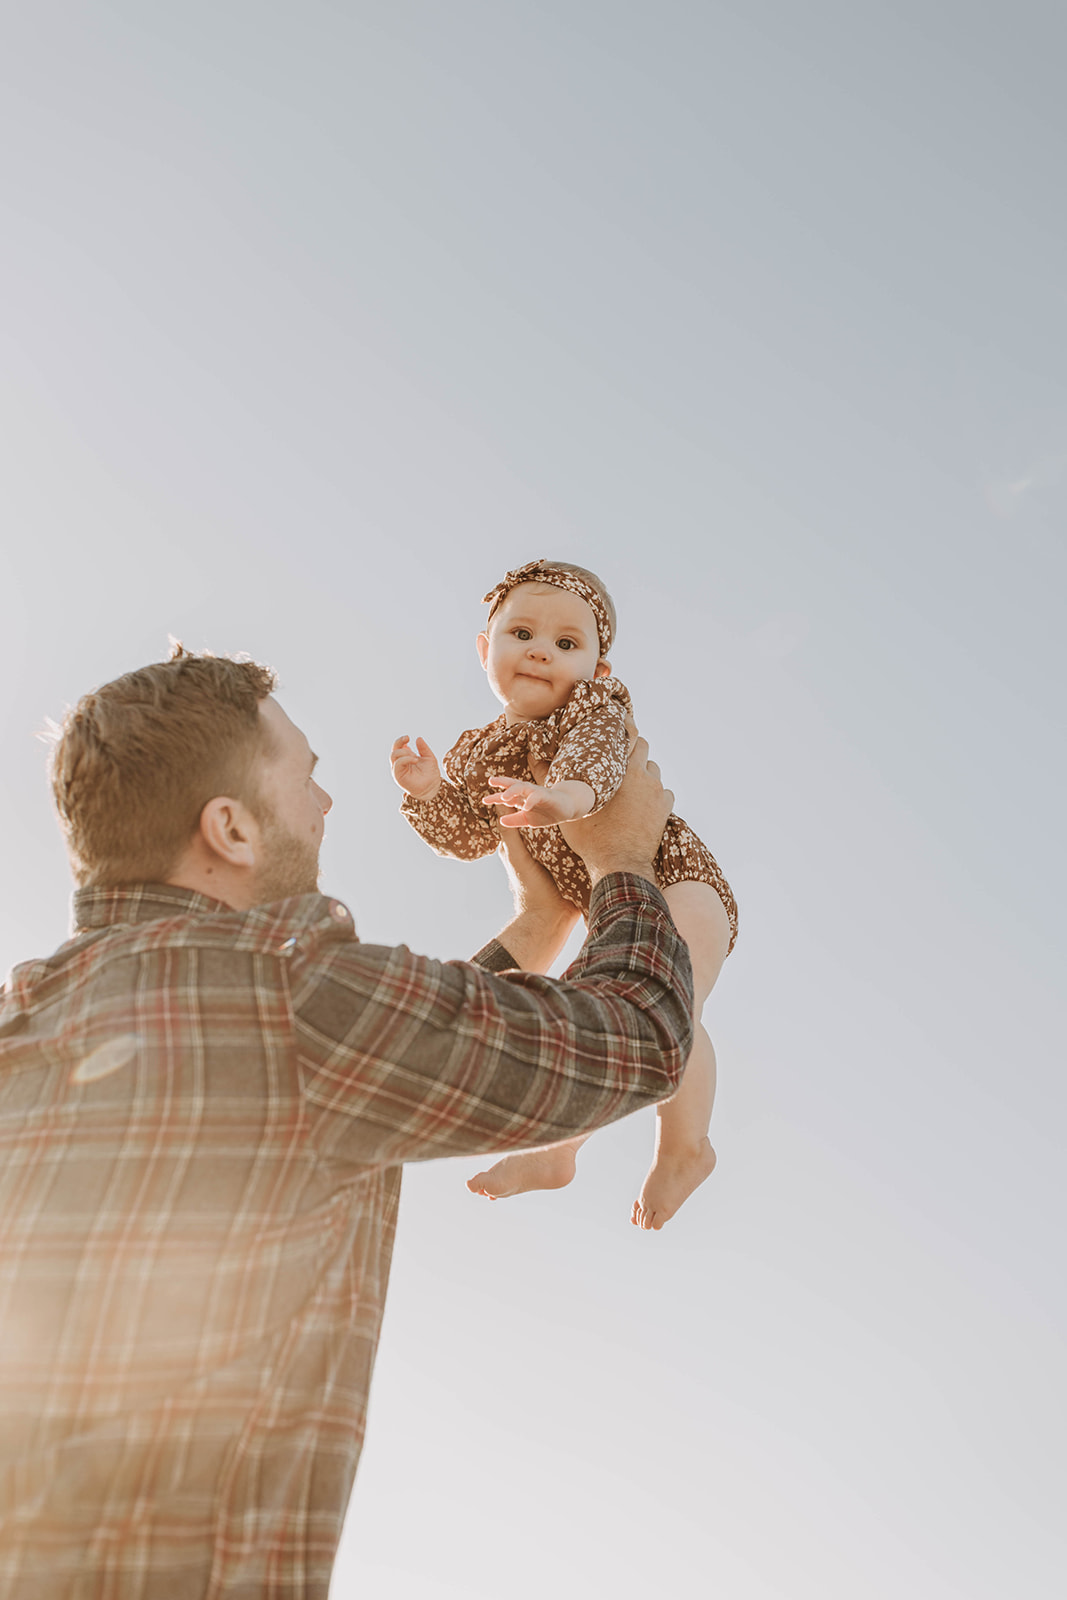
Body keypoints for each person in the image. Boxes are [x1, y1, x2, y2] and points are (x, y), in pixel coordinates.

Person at [0, 644, 693, 1599]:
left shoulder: (28, 1021)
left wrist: (537, 924)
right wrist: (623, 861)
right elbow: (642, 1036)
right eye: (308, 780)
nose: (326, 807)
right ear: (232, 828)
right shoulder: (293, 1001)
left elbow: (340, 1066)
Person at [391, 558, 738, 1229]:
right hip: (602, 896)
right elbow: (468, 834)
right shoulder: (479, 752)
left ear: (597, 671)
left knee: (676, 989)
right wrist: (431, 791)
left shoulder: (592, 708)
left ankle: (685, 1147)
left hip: (675, 873)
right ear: (483, 648)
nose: (541, 651)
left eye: (567, 644)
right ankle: (558, 1153)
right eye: (521, 633)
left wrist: (561, 797)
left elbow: (601, 763)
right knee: (600, 1006)